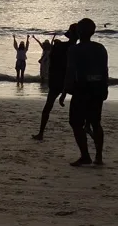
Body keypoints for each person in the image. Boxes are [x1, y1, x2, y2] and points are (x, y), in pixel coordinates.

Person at [60, 18, 108, 167]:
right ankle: (98, 157)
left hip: (81, 89)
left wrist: (64, 91)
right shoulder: (100, 48)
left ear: (79, 32)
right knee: (96, 123)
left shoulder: (74, 49)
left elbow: (70, 71)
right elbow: (105, 70)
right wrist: (105, 88)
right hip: (97, 88)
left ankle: (85, 156)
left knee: (76, 123)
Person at [32, 24, 78, 141]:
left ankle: (41, 133)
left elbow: (53, 63)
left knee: (48, 106)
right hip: (72, 81)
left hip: (58, 80)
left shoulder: (60, 46)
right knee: (79, 108)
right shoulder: (79, 49)